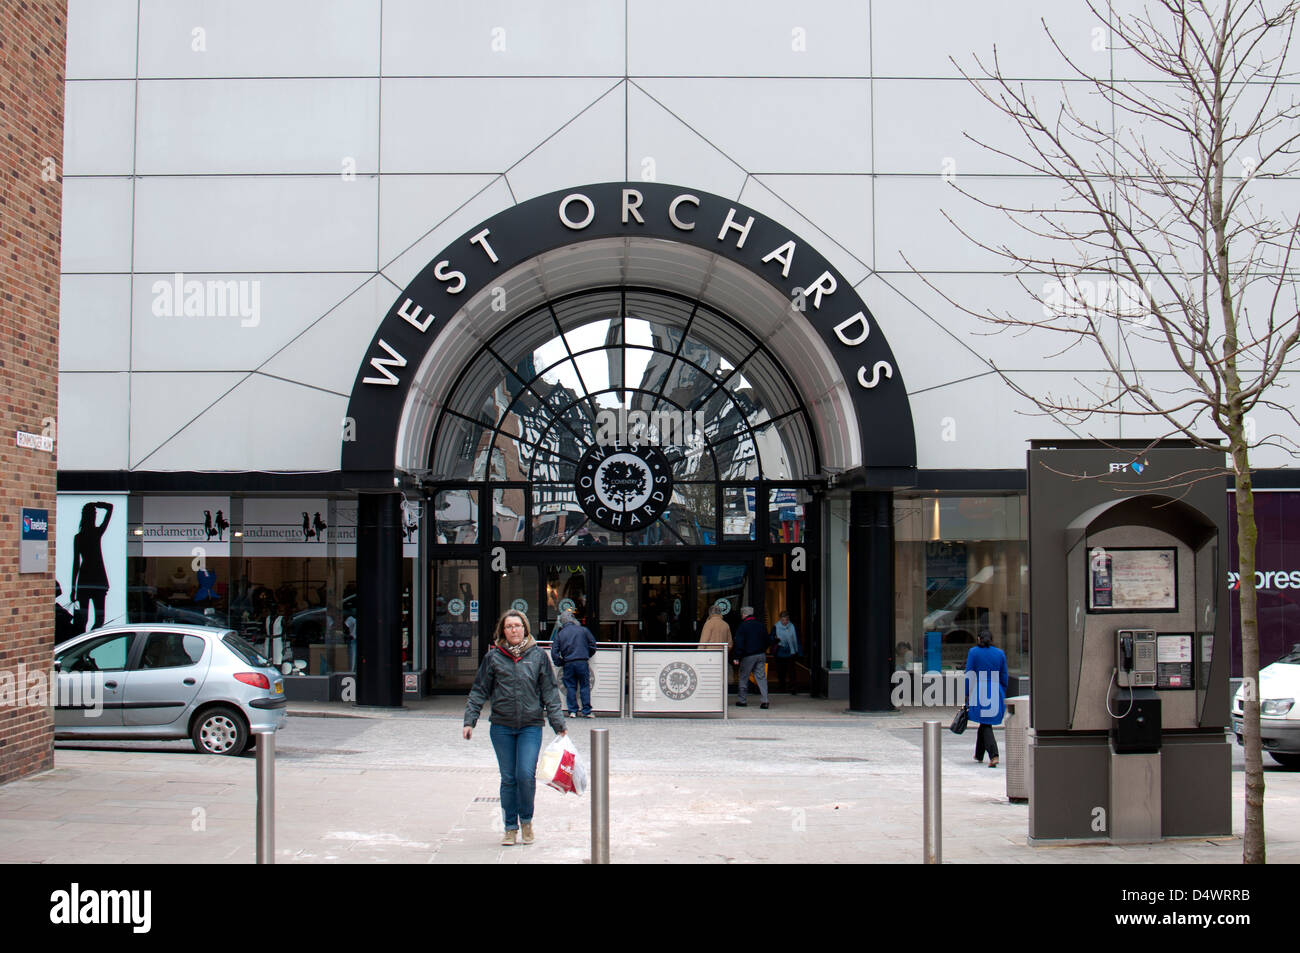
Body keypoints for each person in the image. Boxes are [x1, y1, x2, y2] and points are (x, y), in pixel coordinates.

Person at [463, 610, 567, 846]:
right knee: (508, 778)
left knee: (525, 775)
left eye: (518, 626)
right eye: (509, 626)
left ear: (525, 629)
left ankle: (527, 821)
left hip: (530, 725)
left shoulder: (538, 656)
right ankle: (510, 827)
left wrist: (558, 723)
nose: (514, 630)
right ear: (503, 630)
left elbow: (550, 692)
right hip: (502, 726)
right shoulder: (493, 658)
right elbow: (479, 690)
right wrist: (470, 721)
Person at [965, 630, 1009, 768]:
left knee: (985, 723)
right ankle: (978, 754)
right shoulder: (1000, 653)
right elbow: (1004, 675)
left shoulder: (974, 652)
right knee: (984, 723)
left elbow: (970, 674)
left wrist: (967, 693)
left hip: (980, 690)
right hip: (996, 689)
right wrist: (1002, 690)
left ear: (979, 639)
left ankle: (994, 754)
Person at [551, 609, 597, 717]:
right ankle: (586, 711)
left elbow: (554, 652)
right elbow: (593, 645)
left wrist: (560, 662)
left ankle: (572, 711)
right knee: (585, 686)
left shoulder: (560, 634)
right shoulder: (583, 630)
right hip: (582, 662)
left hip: (568, 663)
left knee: (571, 687)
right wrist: (587, 654)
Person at [731, 606, 774, 709]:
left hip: (748, 656)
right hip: (761, 654)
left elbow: (739, 643)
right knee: (761, 677)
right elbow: (768, 640)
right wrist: (762, 649)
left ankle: (742, 700)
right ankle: (765, 700)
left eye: (742, 614)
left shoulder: (743, 626)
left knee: (743, 677)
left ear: (744, 614)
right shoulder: (761, 625)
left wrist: (736, 656)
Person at [770, 610, 800, 694]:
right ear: (780, 619)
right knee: (781, 671)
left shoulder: (792, 627)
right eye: (783, 620)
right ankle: (782, 686)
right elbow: (771, 637)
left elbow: (796, 639)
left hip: (791, 651)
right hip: (780, 652)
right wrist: (775, 639)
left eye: (786, 620)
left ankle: (793, 687)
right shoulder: (776, 627)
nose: (785, 622)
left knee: (792, 671)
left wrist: (798, 651)